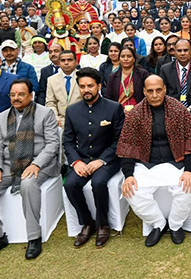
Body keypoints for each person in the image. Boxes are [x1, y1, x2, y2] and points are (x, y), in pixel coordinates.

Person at [118, 75, 191, 247]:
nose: (154, 95)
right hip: (147, 163)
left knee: (188, 188)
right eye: (150, 91)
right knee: (132, 191)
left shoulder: (179, 109)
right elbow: (127, 146)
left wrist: (188, 170)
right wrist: (128, 175)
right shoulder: (136, 114)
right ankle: (158, 223)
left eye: (158, 90)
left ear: (164, 90)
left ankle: (176, 225)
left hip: (175, 161)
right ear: (144, 92)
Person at [63, 67, 125, 248]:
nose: (86, 90)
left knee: (98, 183)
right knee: (70, 184)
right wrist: (76, 162)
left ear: (99, 86)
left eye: (90, 86)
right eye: (82, 86)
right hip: (82, 159)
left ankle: (103, 224)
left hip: (107, 160)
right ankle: (87, 222)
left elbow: (119, 140)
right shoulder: (72, 111)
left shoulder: (114, 108)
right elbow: (67, 141)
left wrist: (101, 160)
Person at [0, 79, 60, 259]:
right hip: (10, 165)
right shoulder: (2, 117)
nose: (16, 98)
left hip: (39, 163)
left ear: (31, 95)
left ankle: (34, 237)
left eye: (20, 94)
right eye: (12, 95)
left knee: (28, 183)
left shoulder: (45, 113)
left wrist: (36, 164)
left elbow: (52, 145)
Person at [160, 39, 191, 123]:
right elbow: (163, 93)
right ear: (175, 52)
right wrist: (174, 109)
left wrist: (190, 108)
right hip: (172, 108)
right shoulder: (165, 69)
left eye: (185, 50)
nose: (182, 53)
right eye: (179, 51)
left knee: (190, 118)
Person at [105, 47, 150, 111]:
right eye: (123, 56)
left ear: (134, 59)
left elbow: (148, 94)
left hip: (139, 111)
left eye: (129, 56)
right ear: (119, 59)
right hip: (119, 112)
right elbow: (108, 98)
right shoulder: (113, 77)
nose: (125, 59)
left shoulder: (142, 74)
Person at [45, 50, 82, 128]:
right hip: (60, 121)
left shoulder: (83, 77)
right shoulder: (51, 80)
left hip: (81, 119)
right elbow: (50, 103)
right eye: (63, 60)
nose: (66, 63)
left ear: (76, 62)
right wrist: (55, 117)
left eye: (69, 60)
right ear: (59, 62)